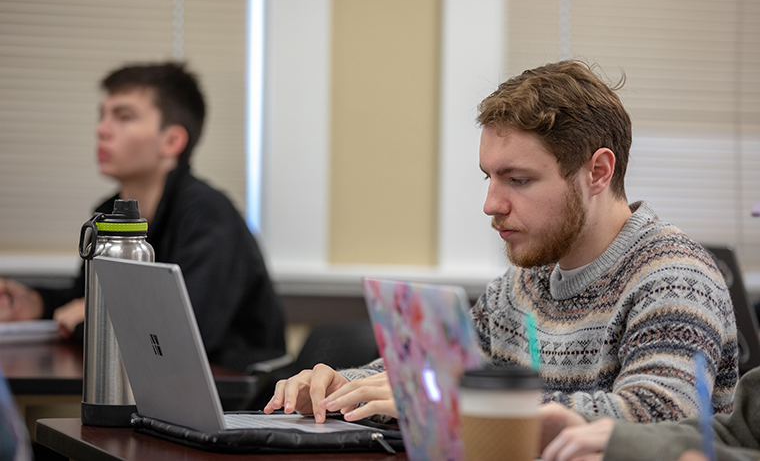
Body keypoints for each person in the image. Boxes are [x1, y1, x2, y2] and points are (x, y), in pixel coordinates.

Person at [264, 60, 738, 424]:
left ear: (598, 172)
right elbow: (426, 378)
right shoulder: (523, 285)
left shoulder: (677, 279)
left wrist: (459, 403)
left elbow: (659, 415)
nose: (491, 204)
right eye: (489, 177)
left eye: (518, 179)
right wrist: (334, 386)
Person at [0, 62, 286, 373]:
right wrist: (35, 302)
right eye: (102, 116)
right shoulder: (110, 210)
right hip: (153, 388)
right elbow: (83, 297)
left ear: (172, 141)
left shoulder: (209, 214)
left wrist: (93, 317)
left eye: (123, 117)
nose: (102, 129)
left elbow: (185, 334)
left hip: (236, 397)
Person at [540, 365, 760, 461]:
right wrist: (580, 424)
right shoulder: (518, 285)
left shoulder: (678, 284)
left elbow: (665, 407)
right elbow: (738, 434)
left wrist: (626, 444)